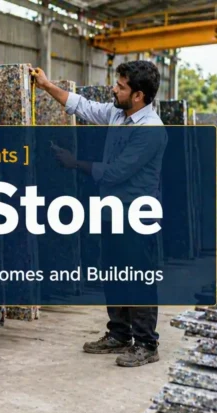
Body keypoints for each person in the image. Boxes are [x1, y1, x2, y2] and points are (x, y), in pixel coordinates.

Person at [30, 61, 167, 367]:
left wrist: (74, 163)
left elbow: (116, 172)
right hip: (113, 212)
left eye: (121, 86)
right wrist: (47, 85)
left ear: (138, 95)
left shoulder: (151, 131)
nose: (114, 89)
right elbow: (83, 106)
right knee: (115, 273)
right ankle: (119, 334)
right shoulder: (118, 114)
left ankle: (146, 343)